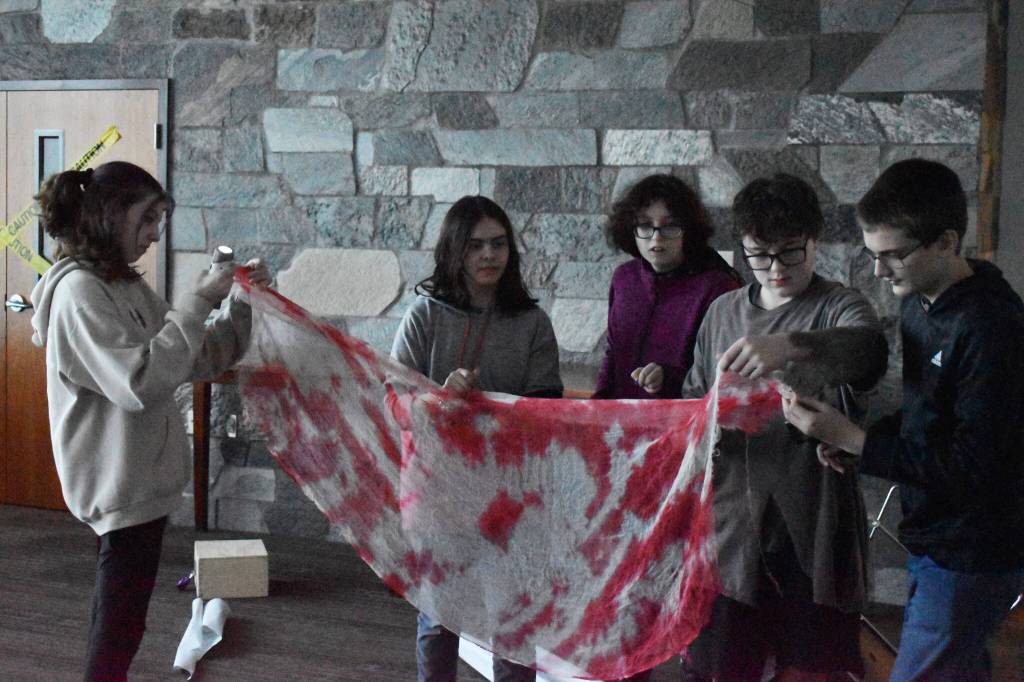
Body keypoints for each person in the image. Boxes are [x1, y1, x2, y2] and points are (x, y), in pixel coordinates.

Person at [783, 159, 1024, 682]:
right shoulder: (919, 306)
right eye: (873, 255)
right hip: (932, 535)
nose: (878, 271)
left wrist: (860, 441)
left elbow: (973, 466)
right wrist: (857, 442)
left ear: (946, 242)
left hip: (971, 550)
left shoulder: (992, 328)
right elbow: (926, 419)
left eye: (892, 255)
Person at [30, 161, 269, 682]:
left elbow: (195, 357)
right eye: (147, 218)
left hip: (140, 483)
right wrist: (198, 300)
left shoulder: (122, 285)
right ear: (109, 216)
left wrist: (240, 305)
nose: (155, 234)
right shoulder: (79, 293)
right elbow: (139, 382)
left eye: (159, 219)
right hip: (119, 487)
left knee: (122, 621)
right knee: (118, 627)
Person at [679, 173, 888, 681]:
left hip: (814, 520)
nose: (775, 269)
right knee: (725, 665)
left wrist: (789, 346)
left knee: (809, 665)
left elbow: (868, 352)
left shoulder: (839, 305)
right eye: (759, 255)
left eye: (790, 253)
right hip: (730, 524)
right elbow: (693, 404)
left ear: (814, 241)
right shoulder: (722, 313)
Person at [391, 195, 562, 682]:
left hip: (509, 496)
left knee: (514, 623)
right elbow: (395, 404)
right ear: (454, 251)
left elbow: (546, 415)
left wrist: (495, 414)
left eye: (498, 244)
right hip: (437, 491)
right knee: (438, 619)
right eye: (475, 245)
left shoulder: (532, 323)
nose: (489, 255)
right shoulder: (424, 316)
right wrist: (437, 401)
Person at [594, 174, 739, 401]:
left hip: (685, 415)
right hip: (621, 415)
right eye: (645, 226)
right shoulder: (624, 278)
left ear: (688, 230)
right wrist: (597, 405)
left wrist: (669, 378)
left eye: (670, 226)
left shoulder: (717, 287)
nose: (656, 239)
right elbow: (614, 352)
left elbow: (723, 373)